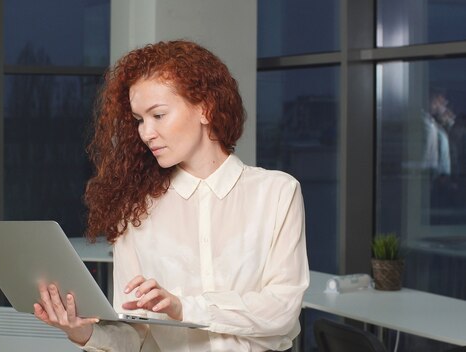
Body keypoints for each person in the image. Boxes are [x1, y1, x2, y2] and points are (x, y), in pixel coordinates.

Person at [33, 40, 309, 351]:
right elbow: (136, 335)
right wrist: (82, 333)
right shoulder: (135, 211)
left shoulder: (277, 193)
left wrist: (183, 308)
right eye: (139, 120)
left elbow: (282, 310)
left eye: (158, 115)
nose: (146, 132)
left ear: (205, 108)